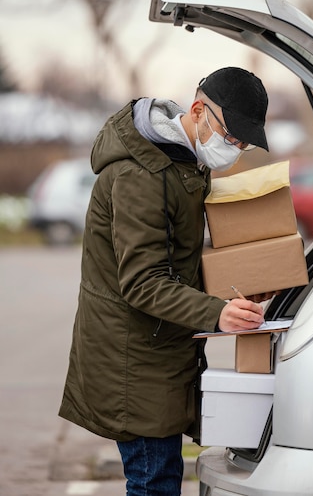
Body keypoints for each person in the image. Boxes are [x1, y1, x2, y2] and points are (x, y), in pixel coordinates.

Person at [59, 66, 270, 496]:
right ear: (198, 111)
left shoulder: (181, 162)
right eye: (231, 138)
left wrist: (230, 291)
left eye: (243, 144)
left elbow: (177, 261)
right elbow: (143, 281)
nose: (235, 150)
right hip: (133, 360)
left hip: (157, 350)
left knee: (160, 478)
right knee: (155, 482)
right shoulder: (141, 174)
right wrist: (218, 314)